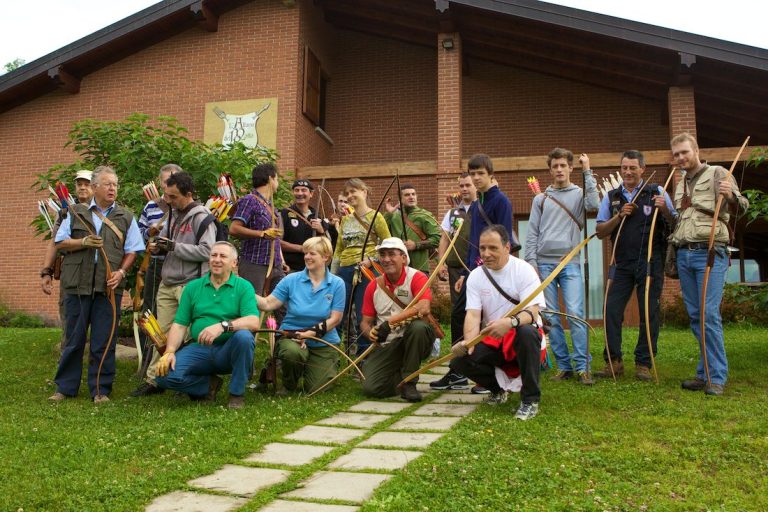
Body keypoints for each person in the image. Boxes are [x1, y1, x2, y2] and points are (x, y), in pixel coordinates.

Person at [49, 166, 144, 403]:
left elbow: (133, 249)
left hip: (109, 288)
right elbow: (60, 242)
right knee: (74, 339)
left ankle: (101, 390)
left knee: (104, 340)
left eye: (115, 184)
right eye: (107, 184)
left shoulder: (125, 216)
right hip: (77, 285)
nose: (113, 188)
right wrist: (82, 241)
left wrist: (122, 272)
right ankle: (64, 388)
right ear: (94, 188)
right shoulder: (75, 211)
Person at [669, 133, 748, 396]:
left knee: (708, 314)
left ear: (696, 150)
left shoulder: (718, 174)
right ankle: (704, 374)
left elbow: (742, 206)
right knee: (695, 315)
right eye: (677, 154)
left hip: (710, 253)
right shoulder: (680, 184)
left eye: (685, 152)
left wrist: (732, 196)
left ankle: (716, 377)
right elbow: (683, 219)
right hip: (684, 254)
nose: (681, 157)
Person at [131, 170, 217, 397]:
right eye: (166, 196)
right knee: (161, 333)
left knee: (188, 334)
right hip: (167, 282)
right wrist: (157, 246)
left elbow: (209, 251)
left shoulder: (203, 217)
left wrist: (173, 247)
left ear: (188, 194)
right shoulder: (173, 213)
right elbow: (167, 241)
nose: (167, 201)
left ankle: (189, 379)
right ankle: (155, 380)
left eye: (173, 197)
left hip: (190, 284)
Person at [594, 150, 677, 381]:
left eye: (632, 168)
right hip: (621, 263)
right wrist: (619, 216)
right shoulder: (611, 197)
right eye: (624, 168)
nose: (628, 172)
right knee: (611, 310)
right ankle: (613, 361)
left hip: (651, 261)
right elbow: (600, 231)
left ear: (642, 168)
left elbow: (675, 221)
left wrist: (665, 210)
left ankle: (643, 363)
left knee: (648, 313)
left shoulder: (656, 191)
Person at [450, 225, 546, 420]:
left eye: (493, 248)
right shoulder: (476, 275)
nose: (486, 254)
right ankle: (497, 390)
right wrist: (469, 343)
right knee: (460, 361)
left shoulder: (524, 270)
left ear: (507, 247)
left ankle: (530, 400)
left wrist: (510, 322)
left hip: (522, 335)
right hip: (494, 339)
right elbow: (473, 315)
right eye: (482, 248)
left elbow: (533, 312)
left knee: (527, 333)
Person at [154, 241, 260, 409]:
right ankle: (208, 385)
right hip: (200, 349)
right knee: (162, 376)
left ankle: (236, 394)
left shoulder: (244, 287)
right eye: (213, 255)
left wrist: (222, 326)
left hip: (228, 350)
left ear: (234, 263)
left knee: (244, 337)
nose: (217, 260)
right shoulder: (193, 287)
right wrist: (170, 351)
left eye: (223, 256)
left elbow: (253, 321)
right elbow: (180, 325)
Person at [525, 148, 599, 384]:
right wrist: (531, 263)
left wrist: (588, 172)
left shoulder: (579, 194)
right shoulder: (541, 199)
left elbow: (593, 204)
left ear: (570, 168)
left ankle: (582, 367)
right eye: (555, 166)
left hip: (570, 263)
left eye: (563, 166)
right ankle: (564, 366)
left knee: (575, 314)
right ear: (550, 170)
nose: (559, 170)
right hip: (544, 265)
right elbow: (532, 233)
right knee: (551, 317)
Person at [454, 154, 517, 394]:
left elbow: (502, 240)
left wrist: (480, 267)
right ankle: (464, 365)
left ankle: (481, 370)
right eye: (473, 173)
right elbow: (473, 242)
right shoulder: (477, 202)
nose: (476, 177)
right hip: (474, 270)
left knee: (485, 318)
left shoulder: (500, 201)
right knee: (463, 315)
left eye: (480, 173)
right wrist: (465, 273)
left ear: (491, 174)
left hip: (491, 270)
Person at [256, 237, 346, 393]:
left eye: (312, 253)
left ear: (325, 257)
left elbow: (335, 319)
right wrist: (244, 290)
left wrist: (309, 334)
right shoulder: (291, 279)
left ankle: (314, 366)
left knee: (317, 389)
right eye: (306, 253)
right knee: (292, 353)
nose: (307, 257)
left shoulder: (337, 283)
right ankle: (289, 383)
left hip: (324, 342)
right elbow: (268, 304)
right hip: (292, 336)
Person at [359, 238, 434, 402]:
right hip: (389, 343)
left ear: (404, 258)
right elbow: (365, 322)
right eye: (382, 255)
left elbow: (423, 307)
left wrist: (390, 322)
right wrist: (370, 333)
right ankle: (401, 376)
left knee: (418, 328)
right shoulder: (373, 286)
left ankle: (410, 383)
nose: (386, 259)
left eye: (392, 254)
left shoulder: (417, 277)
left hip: (416, 339)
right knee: (371, 388)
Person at [332, 178, 391, 355]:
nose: (350, 196)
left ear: (364, 192)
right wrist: (332, 274)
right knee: (338, 313)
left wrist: (372, 259)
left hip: (367, 271)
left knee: (364, 316)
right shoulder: (345, 220)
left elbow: (387, 244)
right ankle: (332, 354)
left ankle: (364, 358)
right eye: (347, 193)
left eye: (353, 191)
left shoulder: (376, 217)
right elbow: (339, 249)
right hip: (344, 270)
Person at [430, 173, 476, 390]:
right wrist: (440, 264)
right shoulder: (453, 213)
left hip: (479, 269)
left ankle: (483, 370)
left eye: (468, 185)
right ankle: (457, 370)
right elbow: (444, 238)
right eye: (462, 186)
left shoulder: (482, 209)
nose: (465, 189)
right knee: (459, 314)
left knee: (481, 315)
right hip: (456, 268)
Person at [40, 169, 93, 347]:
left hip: (96, 273)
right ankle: (66, 357)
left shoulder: (104, 210)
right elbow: (54, 243)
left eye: (87, 184)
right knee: (69, 317)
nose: (83, 188)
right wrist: (46, 272)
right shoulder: (65, 211)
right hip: (71, 273)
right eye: (79, 184)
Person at [133, 164, 177, 375]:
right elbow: (138, 235)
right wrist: (149, 235)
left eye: (173, 180)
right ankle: (146, 361)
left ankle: (173, 360)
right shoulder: (151, 206)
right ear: (159, 182)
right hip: (156, 263)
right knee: (149, 313)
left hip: (178, 266)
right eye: (166, 180)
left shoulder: (185, 205)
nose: (169, 184)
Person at [230, 162, 287, 296]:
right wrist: (262, 234)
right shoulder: (250, 200)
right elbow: (234, 228)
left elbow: (275, 237)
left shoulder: (270, 204)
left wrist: (281, 260)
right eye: (277, 178)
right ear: (270, 179)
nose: (277, 182)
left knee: (282, 305)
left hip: (275, 265)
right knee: (252, 305)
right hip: (254, 264)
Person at [384, 184, 442, 274]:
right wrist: (389, 213)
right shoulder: (393, 216)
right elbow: (381, 235)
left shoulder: (425, 215)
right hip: (397, 269)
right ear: (400, 199)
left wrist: (416, 245)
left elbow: (437, 239)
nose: (411, 197)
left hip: (419, 268)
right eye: (407, 195)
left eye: (413, 194)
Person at [280, 179, 331, 272]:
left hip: (312, 268)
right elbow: (277, 242)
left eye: (303, 190)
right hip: (291, 269)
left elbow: (326, 244)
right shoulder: (284, 214)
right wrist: (301, 248)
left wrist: (321, 231)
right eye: (296, 190)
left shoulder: (316, 215)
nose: (300, 193)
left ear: (311, 194)